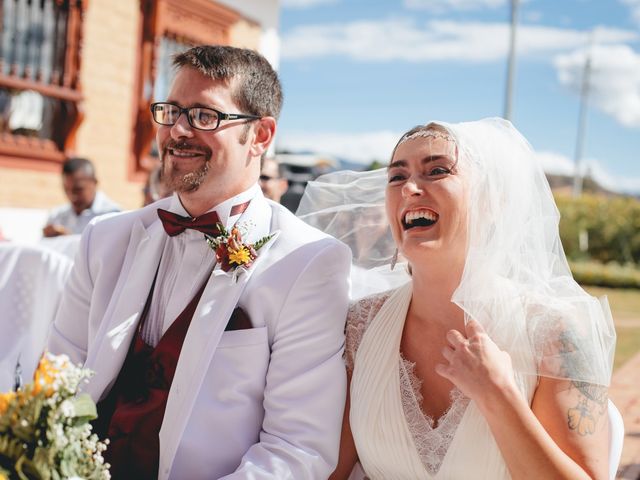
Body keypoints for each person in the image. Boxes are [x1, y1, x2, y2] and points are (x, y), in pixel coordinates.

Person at [47, 45, 351, 480]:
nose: (178, 131)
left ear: (261, 135)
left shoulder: (309, 263)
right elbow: (61, 379)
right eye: (171, 111)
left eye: (205, 116)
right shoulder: (104, 239)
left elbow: (296, 450)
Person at [299, 118, 615, 479]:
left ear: (491, 202)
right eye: (397, 177)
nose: (410, 188)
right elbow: (329, 470)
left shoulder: (554, 332)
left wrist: (498, 396)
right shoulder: (359, 326)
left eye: (436, 171)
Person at [42, 157, 121, 237]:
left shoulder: (112, 216)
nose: (72, 196)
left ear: (94, 182)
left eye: (78, 189)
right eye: (66, 189)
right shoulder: (57, 215)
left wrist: (68, 239)